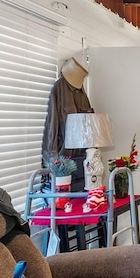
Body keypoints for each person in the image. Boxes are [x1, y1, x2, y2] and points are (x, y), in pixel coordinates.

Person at [41, 58, 94, 191]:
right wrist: (52, 161)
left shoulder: (83, 95)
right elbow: (52, 125)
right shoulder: (58, 90)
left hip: (82, 160)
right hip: (64, 161)